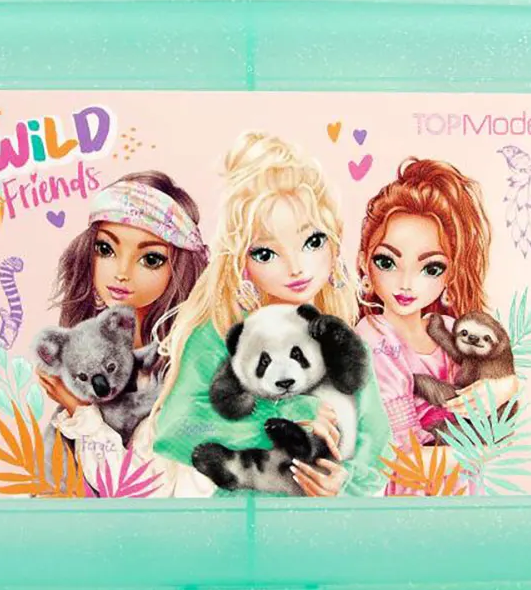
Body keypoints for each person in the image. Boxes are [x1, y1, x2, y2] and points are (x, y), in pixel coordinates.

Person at [150, 132, 389, 497]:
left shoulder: (338, 337)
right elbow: (175, 429)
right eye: (266, 253)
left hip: (328, 519)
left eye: (312, 242)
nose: (296, 267)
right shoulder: (222, 332)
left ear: (335, 240)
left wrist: (345, 480)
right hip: (244, 518)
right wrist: (277, 420)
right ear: (240, 260)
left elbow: (379, 445)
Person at [37, 171, 209, 495]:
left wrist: (79, 410)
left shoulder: (180, 367)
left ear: (179, 267)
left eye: (150, 259)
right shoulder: (88, 343)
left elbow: (139, 491)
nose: (121, 272)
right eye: (105, 249)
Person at [355, 158, 518, 493]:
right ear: (363, 263)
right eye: (387, 262)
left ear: (450, 274)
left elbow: (498, 399)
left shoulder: (450, 328)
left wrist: (507, 386)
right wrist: (483, 448)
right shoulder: (373, 338)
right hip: (413, 497)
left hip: (464, 491)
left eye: (430, 268)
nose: (406, 283)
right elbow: (403, 460)